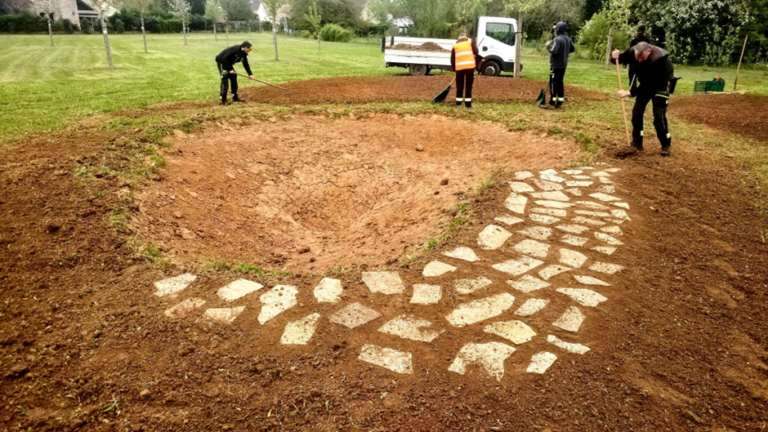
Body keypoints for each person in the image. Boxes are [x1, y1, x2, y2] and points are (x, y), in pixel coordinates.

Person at [612, 42, 675, 156]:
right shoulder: (633, 51)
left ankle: (666, 144)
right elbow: (620, 60)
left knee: (658, 116)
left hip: (660, 84)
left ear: (649, 52)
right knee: (637, 113)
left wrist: (629, 92)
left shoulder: (659, 59)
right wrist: (615, 56)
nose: (640, 60)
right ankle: (637, 142)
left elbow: (648, 84)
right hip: (645, 84)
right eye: (637, 57)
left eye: (643, 58)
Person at [215, 41, 255, 105]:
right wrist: (230, 69)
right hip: (222, 61)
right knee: (225, 79)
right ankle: (223, 99)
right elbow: (225, 58)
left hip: (228, 63)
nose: (250, 50)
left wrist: (250, 74)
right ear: (245, 47)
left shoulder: (243, 53)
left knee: (234, 77)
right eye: (249, 49)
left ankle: (235, 97)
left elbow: (245, 63)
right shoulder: (235, 50)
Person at [546, 22, 575, 108]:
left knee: (553, 82)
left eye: (556, 29)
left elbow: (554, 51)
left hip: (556, 64)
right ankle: (560, 101)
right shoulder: (568, 39)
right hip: (564, 64)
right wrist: (564, 52)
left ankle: (552, 101)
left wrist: (548, 46)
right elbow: (572, 49)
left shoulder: (557, 39)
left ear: (558, 29)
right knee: (560, 82)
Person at [450, 33, 478, 108]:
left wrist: (454, 69)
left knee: (459, 86)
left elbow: (452, 59)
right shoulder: (470, 42)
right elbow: (476, 52)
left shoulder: (455, 46)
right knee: (469, 86)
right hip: (470, 68)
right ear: (466, 37)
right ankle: (468, 105)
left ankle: (458, 103)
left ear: (459, 38)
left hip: (459, 69)